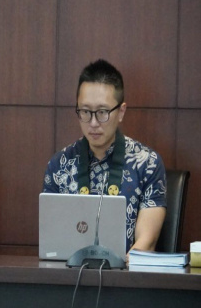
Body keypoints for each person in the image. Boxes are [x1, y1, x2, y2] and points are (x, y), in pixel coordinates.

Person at [43, 59, 166, 253]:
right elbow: (52, 240)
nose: (93, 123)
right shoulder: (59, 165)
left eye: (102, 112)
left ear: (121, 112)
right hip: (68, 270)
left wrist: (120, 269)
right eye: (85, 111)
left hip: (126, 270)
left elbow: (146, 243)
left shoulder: (147, 163)